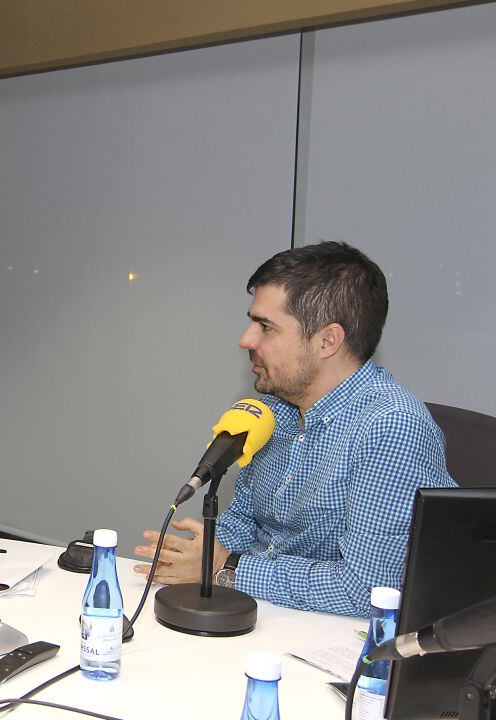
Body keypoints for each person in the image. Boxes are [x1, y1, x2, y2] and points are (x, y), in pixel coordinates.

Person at [133, 242, 455, 617]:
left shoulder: (391, 426)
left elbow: (367, 590)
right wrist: (196, 557)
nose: (246, 340)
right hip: (269, 616)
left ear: (327, 341)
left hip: (335, 640)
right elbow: (243, 522)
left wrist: (227, 568)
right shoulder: (274, 411)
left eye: (266, 327)